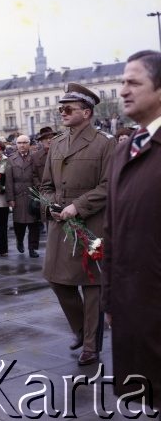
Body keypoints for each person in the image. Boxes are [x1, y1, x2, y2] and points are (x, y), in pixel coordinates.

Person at [41, 82, 115, 366]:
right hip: (61, 223)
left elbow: (109, 184)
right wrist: (50, 204)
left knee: (91, 283)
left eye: (68, 108)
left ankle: (90, 346)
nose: (62, 112)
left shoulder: (104, 143)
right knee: (56, 280)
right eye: (61, 108)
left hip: (92, 222)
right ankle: (82, 330)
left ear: (86, 112)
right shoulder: (58, 142)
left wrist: (78, 206)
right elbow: (46, 184)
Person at [102, 50, 161, 407]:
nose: (123, 90)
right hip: (133, 303)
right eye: (122, 82)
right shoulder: (124, 152)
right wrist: (111, 300)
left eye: (134, 82)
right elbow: (112, 234)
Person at [6, 134, 41, 257]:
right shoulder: (11, 159)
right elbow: (8, 181)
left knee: (34, 223)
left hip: (32, 194)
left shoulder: (35, 158)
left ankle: (33, 248)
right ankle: (19, 241)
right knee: (19, 223)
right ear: (16, 145)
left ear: (29, 144)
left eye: (25, 142)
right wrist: (10, 198)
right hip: (18, 194)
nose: (22, 145)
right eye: (19, 143)